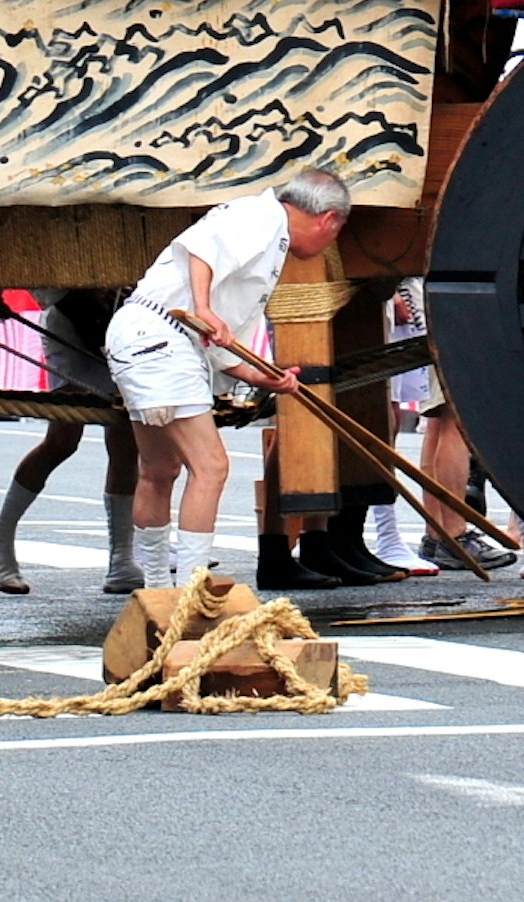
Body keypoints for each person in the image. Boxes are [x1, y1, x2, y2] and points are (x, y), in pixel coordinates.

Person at [105, 172, 349, 594]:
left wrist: (259, 375)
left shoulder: (271, 232)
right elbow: (203, 248)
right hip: (161, 337)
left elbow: (214, 340)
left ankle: (159, 590)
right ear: (329, 220)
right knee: (211, 466)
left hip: (153, 337)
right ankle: (190, 589)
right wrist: (203, 306)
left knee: (160, 469)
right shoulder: (260, 214)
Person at [0, 289, 145, 596]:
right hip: (71, 316)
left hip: (125, 317)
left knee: (125, 441)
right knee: (62, 439)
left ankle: (121, 557)